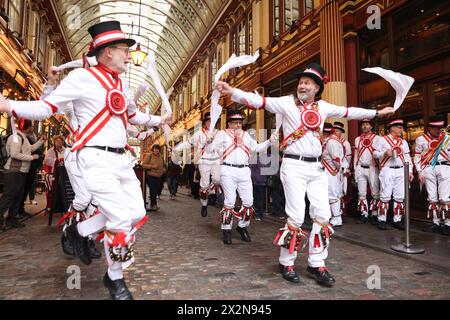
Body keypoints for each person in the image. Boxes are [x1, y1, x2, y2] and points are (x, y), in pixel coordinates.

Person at [0, 21, 171, 300]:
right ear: (107, 52)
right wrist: (9, 105)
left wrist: (159, 119)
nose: (129, 55)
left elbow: (132, 117)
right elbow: (47, 107)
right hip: (93, 157)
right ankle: (114, 278)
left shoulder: (119, 85)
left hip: (120, 160)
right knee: (120, 216)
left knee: (136, 214)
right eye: (124, 50)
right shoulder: (81, 79)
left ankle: (80, 230)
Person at [216, 62, 394, 286]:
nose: (302, 85)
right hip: (293, 166)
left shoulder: (323, 107)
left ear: (316, 88)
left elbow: (349, 112)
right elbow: (259, 101)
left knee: (323, 215)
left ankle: (316, 263)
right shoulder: (286, 104)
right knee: (297, 216)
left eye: (307, 83)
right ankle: (286, 261)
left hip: (317, 168)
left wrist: (377, 112)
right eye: (301, 82)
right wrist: (233, 92)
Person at [210, 109, 275, 245]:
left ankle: (242, 226)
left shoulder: (246, 135)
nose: (238, 125)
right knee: (230, 201)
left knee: (248, 201)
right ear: (229, 123)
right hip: (227, 169)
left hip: (244, 170)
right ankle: (226, 229)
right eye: (235, 123)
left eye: (240, 123)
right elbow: (212, 150)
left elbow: (257, 148)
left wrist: (269, 141)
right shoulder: (222, 134)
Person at [174, 112, 221, 217]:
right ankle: (204, 205)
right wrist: (177, 148)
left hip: (216, 159)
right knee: (204, 183)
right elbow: (188, 143)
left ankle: (212, 193)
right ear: (205, 123)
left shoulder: (219, 133)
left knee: (217, 179)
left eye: (212, 121)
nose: (210, 123)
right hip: (204, 160)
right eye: (208, 121)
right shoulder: (199, 134)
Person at [0, 120, 44, 229]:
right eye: (32, 125)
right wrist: (32, 157)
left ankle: (12, 219)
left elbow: (29, 149)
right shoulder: (16, 137)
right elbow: (14, 154)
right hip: (14, 171)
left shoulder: (22, 136)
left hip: (21, 171)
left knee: (18, 196)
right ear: (27, 127)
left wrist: (40, 142)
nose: (33, 127)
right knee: (9, 196)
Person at [374, 119, 414, 230]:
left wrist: (410, 170)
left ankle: (397, 220)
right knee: (385, 195)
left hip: (401, 170)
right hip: (387, 169)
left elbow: (407, 157)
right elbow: (375, 153)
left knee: (400, 196)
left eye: (402, 128)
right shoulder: (382, 140)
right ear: (392, 128)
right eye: (400, 128)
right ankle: (381, 219)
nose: (402, 130)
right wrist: (384, 153)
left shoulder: (404, 142)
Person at [414, 116, 450, 235]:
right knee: (432, 197)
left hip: (444, 167)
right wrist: (419, 171)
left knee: (445, 197)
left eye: (440, 128)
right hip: (428, 168)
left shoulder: (446, 138)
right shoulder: (420, 139)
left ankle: (447, 223)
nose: (438, 130)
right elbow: (417, 156)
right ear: (429, 128)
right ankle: (436, 222)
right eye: (435, 128)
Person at [321, 122, 348, 227]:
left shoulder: (331, 141)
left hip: (332, 172)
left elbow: (336, 159)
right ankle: (333, 216)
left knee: (333, 195)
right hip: (331, 171)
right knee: (331, 194)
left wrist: (342, 169)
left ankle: (336, 218)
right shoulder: (330, 140)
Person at [353, 119, 380, 224]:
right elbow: (356, 154)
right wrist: (355, 168)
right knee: (361, 193)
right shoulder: (357, 139)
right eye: (363, 124)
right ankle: (364, 214)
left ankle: (374, 214)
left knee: (375, 193)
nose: (365, 126)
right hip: (360, 167)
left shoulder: (377, 138)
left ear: (371, 127)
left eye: (367, 124)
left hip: (372, 167)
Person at [332, 121, 351, 218]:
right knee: (333, 191)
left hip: (342, 168)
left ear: (341, 132)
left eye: (338, 131)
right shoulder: (331, 141)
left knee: (341, 190)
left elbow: (348, 157)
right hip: (332, 169)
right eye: (334, 130)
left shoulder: (345, 143)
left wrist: (345, 167)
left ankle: (341, 212)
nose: (335, 132)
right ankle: (334, 213)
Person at [142, 144, 165, 211]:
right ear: (153, 149)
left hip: (159, 176)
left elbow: (163, 165)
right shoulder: (149, 155)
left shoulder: (161, 157)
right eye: (155, 149)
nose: (156, 150)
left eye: (157, 149)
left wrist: (163, 170)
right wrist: (152, 166)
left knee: (157, 190)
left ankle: (154, 204)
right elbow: (143, 165)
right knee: (153, 190)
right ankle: (153, 205)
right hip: (151, 176)